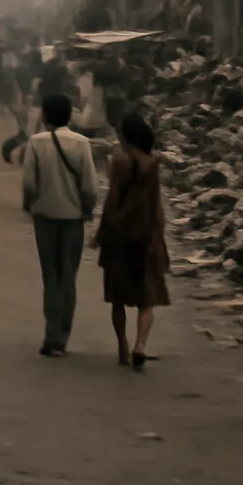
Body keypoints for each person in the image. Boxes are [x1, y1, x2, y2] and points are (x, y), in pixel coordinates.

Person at [21, 94, 98, 357]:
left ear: (45, 116)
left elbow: (28, 183)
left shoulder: (35, 143)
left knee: (50, 276)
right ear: (69, 116)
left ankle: (51, 334)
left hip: (44, 217)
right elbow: (89, 186)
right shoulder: (81, 143)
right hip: (73, 219)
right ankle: (63, 337)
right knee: (68, 277)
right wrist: (87, 209)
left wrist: (29, 204)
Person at [92, 112, 170, 369]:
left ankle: (122, 346)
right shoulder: (153, 164)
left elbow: (112, 201)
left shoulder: (118, 163)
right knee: (146, 299)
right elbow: (156, 205)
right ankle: (140, 345)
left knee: (117, 297)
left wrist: (101, 234)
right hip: (147, 237)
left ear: (125, 138)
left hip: (119, 239)